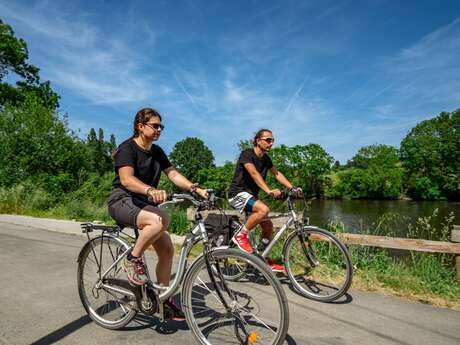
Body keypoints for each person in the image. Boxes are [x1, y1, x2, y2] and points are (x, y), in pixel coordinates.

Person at [108, 107, 208, 320]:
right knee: (161, 219)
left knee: (167, 250)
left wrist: (194, 189)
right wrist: (150, 190)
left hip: (141, 205)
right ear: (140, 126)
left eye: (161, 126)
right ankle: (131, 259)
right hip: (122, 201)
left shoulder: (157, 151)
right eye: (155, 126)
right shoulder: (127, 148)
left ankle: (162, 299)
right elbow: (126, 180)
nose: (159, 129)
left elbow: (173, 174)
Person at [228, 129, 302, 272]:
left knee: (268, 227)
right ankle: (240, 235)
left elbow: (277, 174)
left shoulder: (266, 159)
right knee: (264, 209)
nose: (271, 143)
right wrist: (268, 190)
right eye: (268, 140)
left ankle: (263, 257)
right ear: (258, 140)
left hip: (251, 197)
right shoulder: (247, 154)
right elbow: (254, 173)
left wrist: (292, 188)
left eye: (272, 140)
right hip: (237, 194)